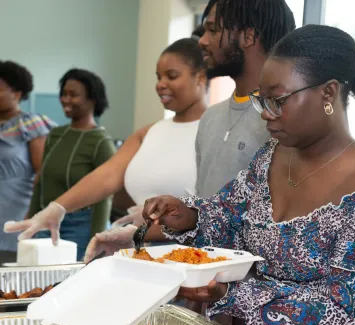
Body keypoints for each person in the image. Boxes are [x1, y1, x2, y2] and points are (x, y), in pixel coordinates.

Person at [142, 25, 355, 325]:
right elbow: (230, 216)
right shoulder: (271, 156)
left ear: (328, 93)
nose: (267, 114)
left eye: (279, 100)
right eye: (262, 99)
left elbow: (338, 306)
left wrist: (232, 294)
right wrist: (188, 216)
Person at [5, 38, 208, 261]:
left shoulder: (214, 130)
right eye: (158, 77)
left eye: (171, 76)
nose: (160, 84)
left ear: (200, 77)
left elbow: (220, 209)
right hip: (141, 251)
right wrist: (57, 208)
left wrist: (156, 227)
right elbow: (106, 176)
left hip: (190, 258)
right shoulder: (148, 132)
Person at [195, 0, 295, 198]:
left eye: (213, 30)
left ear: (248, 37)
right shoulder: (210, 117)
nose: (202, 41)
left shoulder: (281, 120)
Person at [26, 69, 116, 260]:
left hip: (80, 227)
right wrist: (30, 218)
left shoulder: (100, 142)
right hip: (46, 222)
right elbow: (41, 180)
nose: (66, 100)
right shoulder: (55, 135)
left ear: (92, 99)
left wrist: (98, 238)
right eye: (64, 94)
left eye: (73, 95)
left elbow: (104, 196)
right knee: (41, 283)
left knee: (71, 284)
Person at [0, 61, 55, 263]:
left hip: (16, 212)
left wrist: (33, 213)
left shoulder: (30, 123)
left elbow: (43, 172)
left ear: (16, 93)